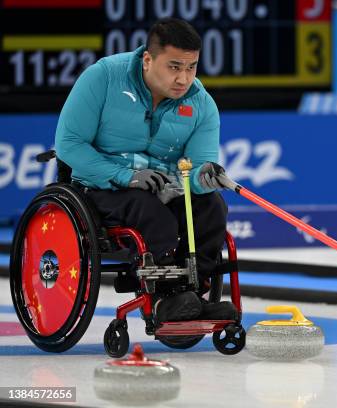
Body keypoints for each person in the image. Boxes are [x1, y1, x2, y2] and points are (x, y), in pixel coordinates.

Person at [55, 18, 236, 322]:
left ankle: (194, 291)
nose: (184, 79)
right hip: (104, 185)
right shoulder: (103, 77)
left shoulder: (202, 105)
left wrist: (206, 178)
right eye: (174, 67)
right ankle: (165, 297)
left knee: (212, 207)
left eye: (191, 68)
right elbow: (69, 144)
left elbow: (197, 169)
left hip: (165, 185)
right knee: (151, 212)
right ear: (148, 60)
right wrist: (127, 177)